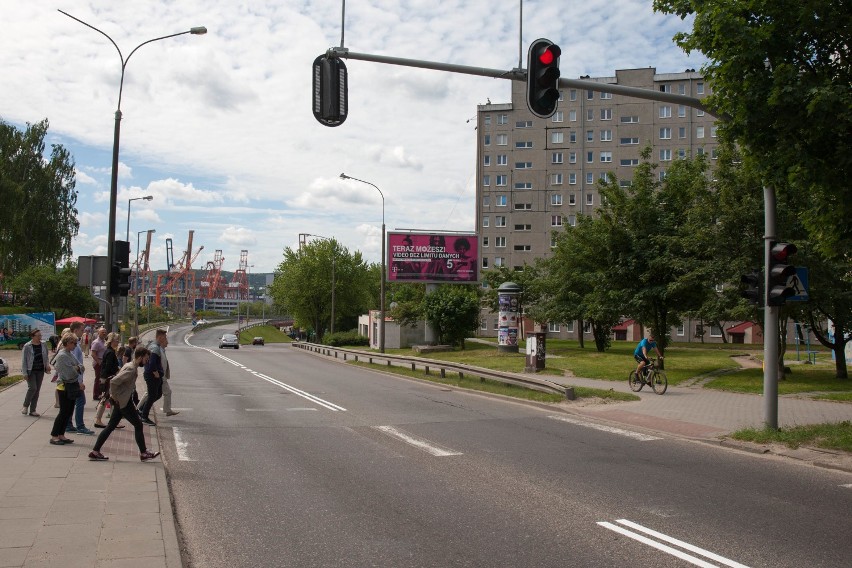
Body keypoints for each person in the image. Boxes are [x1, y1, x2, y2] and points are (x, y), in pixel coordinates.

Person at [88, 345, 160, 462]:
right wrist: (115, 397)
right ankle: (144, 453)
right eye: (146, 359)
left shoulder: (131, 366)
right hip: (123, 402)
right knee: (138, 425)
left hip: (122, 401)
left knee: (111, 426)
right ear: (140, 357)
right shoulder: (131, 369)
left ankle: (95, 451)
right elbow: (114, 382)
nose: (147, 362)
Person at [50, 334, 84, 445]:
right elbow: (68, 373)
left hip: (71, 385)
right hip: (64, 386)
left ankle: (61, 434)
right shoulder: (62, 355)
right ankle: (54, 435)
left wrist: (76, 368)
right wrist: (76, 368)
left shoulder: (69, 354)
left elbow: (81, 366)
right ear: (67, 343)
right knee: (63, 412)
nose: (75, 345)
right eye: (74, 343)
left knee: (69, 412)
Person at [66, 322, 95, 436]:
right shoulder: (73, 345)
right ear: (76, 330)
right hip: (75, 380)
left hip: (74, 379)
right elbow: (72, 365)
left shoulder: (75, 344)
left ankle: (69, 425)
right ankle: (80, 427)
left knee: (72, 402)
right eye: (82, 329)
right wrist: (79, 382)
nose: (83, 332)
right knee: (80, 402)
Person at [93, 333, 124, 429]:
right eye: (116, 341)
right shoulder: (110, 353)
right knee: (107, 399)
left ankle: (111, 421)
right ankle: (99, 420)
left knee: (110, 400)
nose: (117, 342)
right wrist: (118, 370)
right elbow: (109, 367)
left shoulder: (109, 351)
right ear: (111, 341)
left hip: (106, 378)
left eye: (118, 340)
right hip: (108, 378)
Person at [139, 329, 169, 425]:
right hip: (152, 375)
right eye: (164, 337)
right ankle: (144, 416)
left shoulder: (153, 345)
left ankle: (141, 409)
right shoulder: (155, 348)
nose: (165, 339)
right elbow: (151, 362)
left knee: (158, 394)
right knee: (152, 396)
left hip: (154, 375)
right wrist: (155, 372)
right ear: (159, 337)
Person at [21, 329, 51, 417]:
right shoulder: (27, 346)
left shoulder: (43, 344)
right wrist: (25, 373)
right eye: (38, 336)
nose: (40, 337)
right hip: (31, 370)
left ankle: (33, 410)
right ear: (32, 336)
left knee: (37, 390)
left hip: (40, 370)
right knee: (32, 388)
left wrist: (47, 365)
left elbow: (46, 356)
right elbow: (24, 360)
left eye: (40, 335)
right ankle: (25, 405)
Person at [90, 327, 107, 400]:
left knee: (102, 379)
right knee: (98, 379)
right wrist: (99, 362)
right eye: (102, 332)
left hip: (103, 362)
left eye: (105, 332)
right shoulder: (96, 342)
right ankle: (96, 395)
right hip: (98, 363)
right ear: (98, 333)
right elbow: (93, 354)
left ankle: (100, 394)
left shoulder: (104, 341)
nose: (104, 333)